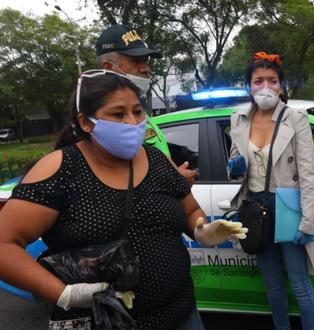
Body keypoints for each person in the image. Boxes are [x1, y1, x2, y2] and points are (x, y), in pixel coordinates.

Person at [0, 71, 246, 329]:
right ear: (86, 122)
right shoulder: (61, 169)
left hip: (182, 315)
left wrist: (203, 230)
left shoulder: (157, 160)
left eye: (138, 112)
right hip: (105, 322)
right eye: (118, 114)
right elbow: (5, 245)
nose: (132, 122)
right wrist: (64, 294)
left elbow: (190, 210)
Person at [227, 52, 314, 330]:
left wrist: (308, 220)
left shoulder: (295, 118)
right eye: (258, 81)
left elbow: (309, 172)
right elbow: (236, 167)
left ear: (281, 86)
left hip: (287, 207)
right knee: (271, 284)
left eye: (272, 81)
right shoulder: (239, 118)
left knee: (299, 282)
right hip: (254, 209)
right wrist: (234, 166)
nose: (265, 87)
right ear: (249, 86)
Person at [94, 24, 197, 185]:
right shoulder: (102, 124)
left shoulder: (141, 113)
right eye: (136, 61)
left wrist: (175, 178)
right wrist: (175, 182)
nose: (146, 69)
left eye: (146, 61)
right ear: (108, 67)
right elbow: (115, 182)